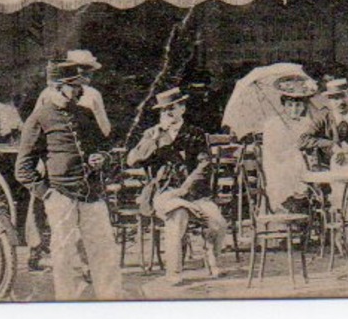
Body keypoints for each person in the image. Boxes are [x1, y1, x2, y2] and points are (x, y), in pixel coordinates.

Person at [14, 60, 122, 300]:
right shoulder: (39, 118)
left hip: (91, 193)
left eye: (80, 86)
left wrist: (100, 157)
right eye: (73, 87)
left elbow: (101, 146)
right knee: (64, 254)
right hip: (61, 195)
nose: (79, 91)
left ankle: (112, 300)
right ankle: (68, 302)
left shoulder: (84, 112)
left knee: (104, 250)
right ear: (57, 86)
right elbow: (22, 169)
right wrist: (47, 194)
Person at [127, 87, 226, 285]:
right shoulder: (152, 134)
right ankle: (174, 271)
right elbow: (132, 160)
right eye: (164, 110)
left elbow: (204, 164)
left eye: (173, 107)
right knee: (178, 214)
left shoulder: (195, 134)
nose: (169, 113)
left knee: (217, 222)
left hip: (194, 193)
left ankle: (212, 257)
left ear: (183, 108)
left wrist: (185, 188)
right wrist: (153, 140)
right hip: (164, 193)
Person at [259, 74, 318, 213]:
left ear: (304, 106)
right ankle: (292, 204)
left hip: (303, 164)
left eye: (298, 105)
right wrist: (295, 151)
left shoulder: (307, 123)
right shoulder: (273, 124)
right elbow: (273, 152)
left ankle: (314, 208)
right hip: (279, 167)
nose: (294, 109)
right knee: (295, 167)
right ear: (283, 105)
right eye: (290, 105)